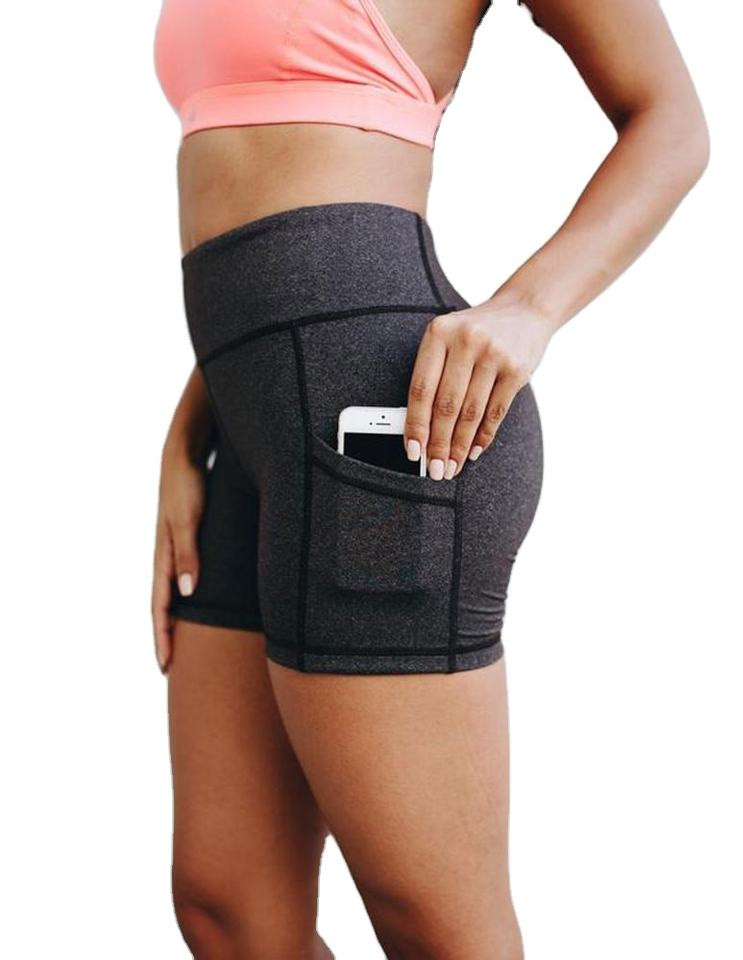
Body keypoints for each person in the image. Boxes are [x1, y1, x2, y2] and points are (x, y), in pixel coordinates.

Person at [151, 0, 708, 956]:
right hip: (253, 429)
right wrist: (190, 429)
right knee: (230, 907)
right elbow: (264, 214)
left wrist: (529, 308)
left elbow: (673, 120)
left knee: (435, 925)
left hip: (386, 430)